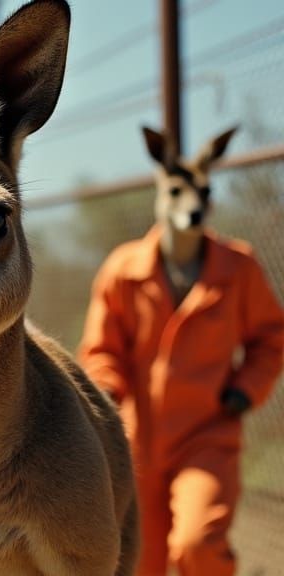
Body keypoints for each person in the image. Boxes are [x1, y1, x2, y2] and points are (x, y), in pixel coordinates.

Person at [79, 126, 284, 576]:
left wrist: (244, 392)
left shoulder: (239, 267)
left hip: (207, 437)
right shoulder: (123, 270)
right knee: (138, 560)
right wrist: (107, 393)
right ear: (162, 192)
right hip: (137, 442)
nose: (190, 202)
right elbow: (100, 350)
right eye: (177, 190)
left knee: (197, 545)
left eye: (201, 192)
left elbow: (271, 339)